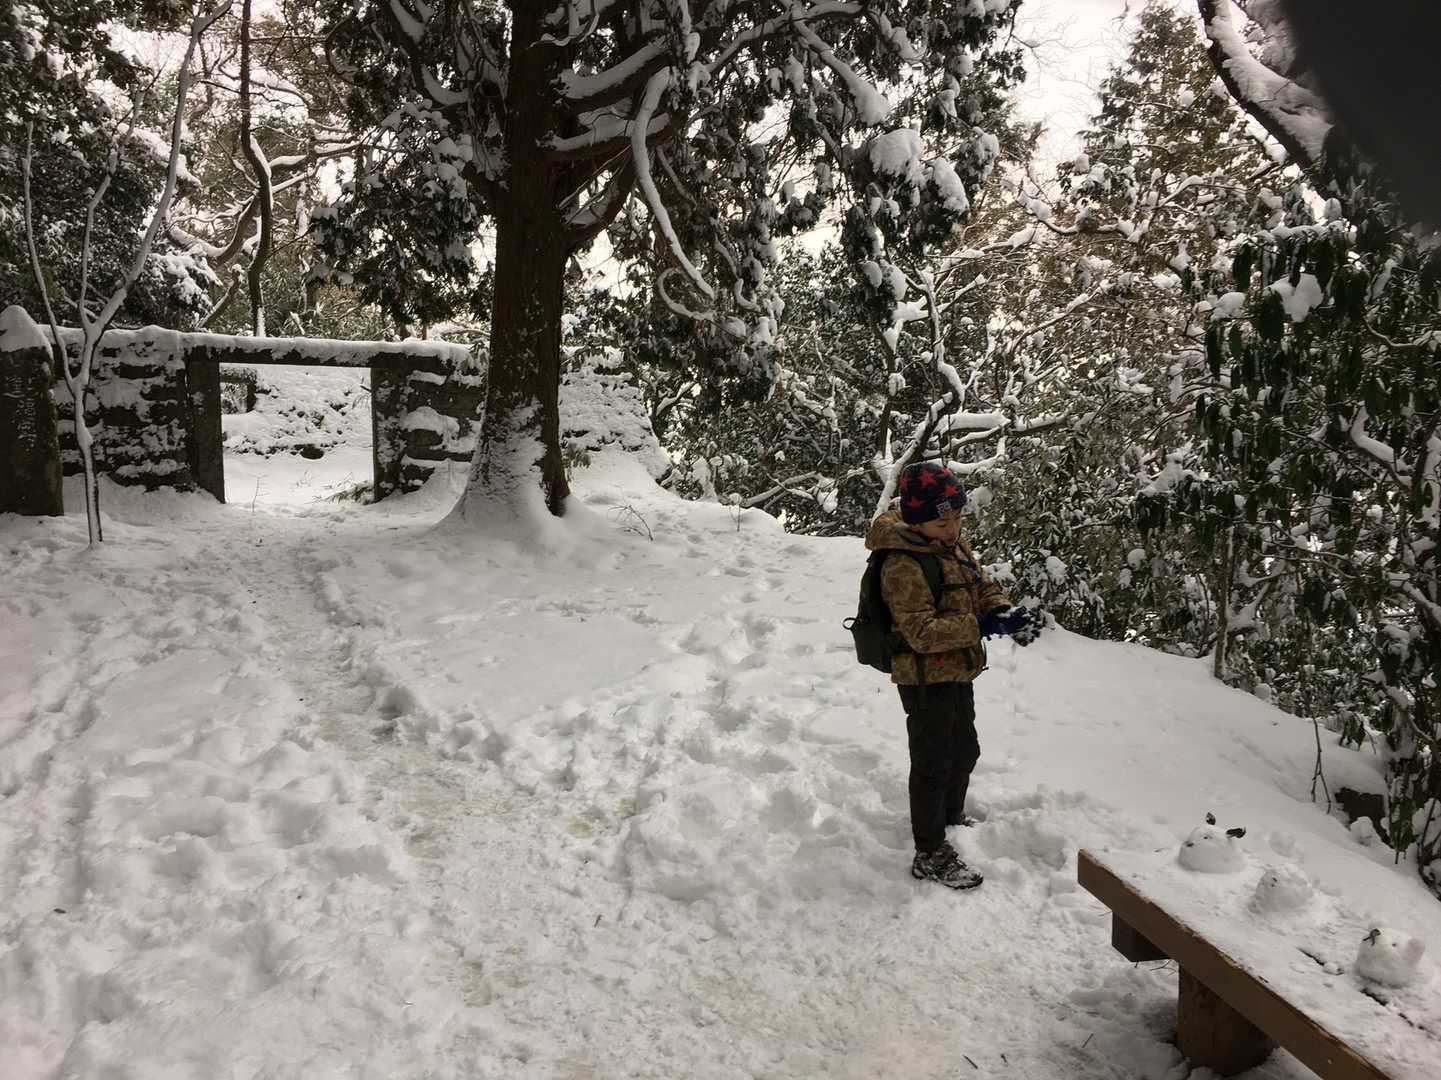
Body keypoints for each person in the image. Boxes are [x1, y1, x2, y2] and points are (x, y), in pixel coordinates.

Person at [864, 461, 1039, 889]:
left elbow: (979, 584)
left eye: (958, 518)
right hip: (924, 677)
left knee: (964, 751)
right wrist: (982, 626)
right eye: (943, 522)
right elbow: (921, 632)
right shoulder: (901, 563)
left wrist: (1001, 610)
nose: (954, 528)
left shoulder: (950, 543)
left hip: (958, 668)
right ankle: (929, 851)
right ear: (916, 520)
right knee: (932, 762)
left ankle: (949, 817)